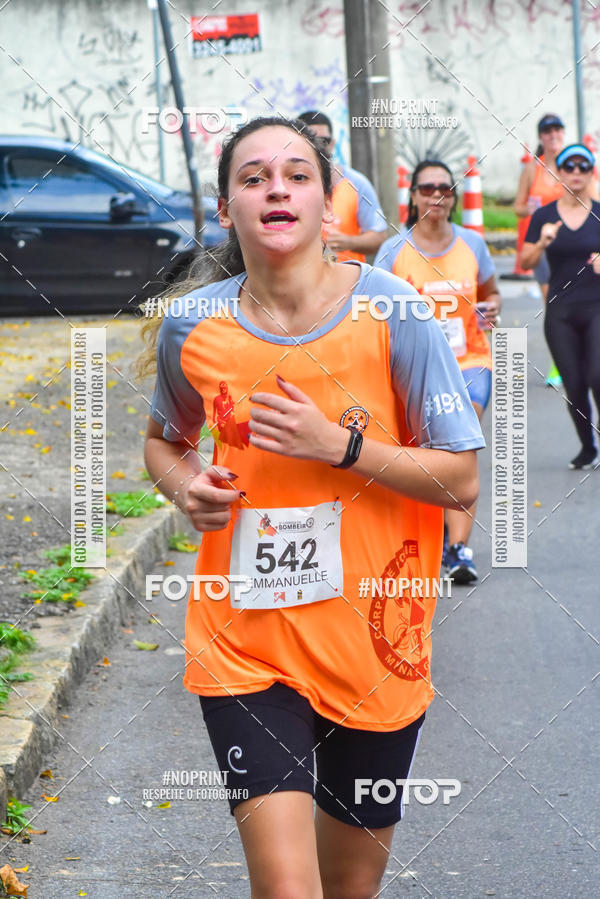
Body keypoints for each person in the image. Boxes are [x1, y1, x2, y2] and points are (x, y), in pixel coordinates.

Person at [139, 116, 484, 897]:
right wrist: (186, 483)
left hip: (375, 643)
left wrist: (342, 446)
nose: (275, 188)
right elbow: (164, 441)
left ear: (329, 205)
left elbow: (460, 479)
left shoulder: (397, 315)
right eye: (253, 176)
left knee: (348, 888)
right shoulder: (194, 326)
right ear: (226, 208)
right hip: (245, 641)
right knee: (288, 889)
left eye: (296, 174)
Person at [375, 159, 501, 585]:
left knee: (458, 445)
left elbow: (491, 293)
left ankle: (458, 548)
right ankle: (426, 533)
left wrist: (493, 308)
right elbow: (373, 315)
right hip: (412, 368)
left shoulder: (473, 245)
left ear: (453, 197)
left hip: (470, 362)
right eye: (427, 188)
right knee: (422, 451)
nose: (436, 196)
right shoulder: (393, 252)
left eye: (444, 189)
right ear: (413, 196)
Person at [521, 143, 600, 470]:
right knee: (574, 384)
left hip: (597, 307)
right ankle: (588, 447)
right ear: (560, 172)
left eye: (584, 167)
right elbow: (525, 260)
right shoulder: (544, 216)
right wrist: (542, 241)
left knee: (598, 375)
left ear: (591, 172)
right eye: (570, 166)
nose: (577, 172)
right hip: (560, 312)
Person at [514, 114, 597, 388]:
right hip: (547, 245)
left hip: (579, 243)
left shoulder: (577, 164)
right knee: (553, 301)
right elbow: (517, 207)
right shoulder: (532, 169)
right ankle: (563, 360)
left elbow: (595, 200)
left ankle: (570, 358)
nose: (553, 135)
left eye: (557, 130)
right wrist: (530, 211)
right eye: (547, 131)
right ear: (541, 137)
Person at [297, 110, 388, 262]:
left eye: (323, 141)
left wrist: (348, 242)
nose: (317, 147)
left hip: (350, 283)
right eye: (310, 141)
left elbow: (379, 236)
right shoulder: (285, 187)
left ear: (332, 143)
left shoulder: (356, 183)